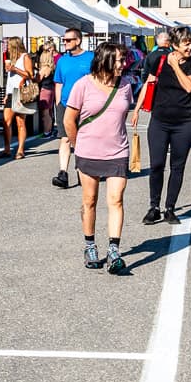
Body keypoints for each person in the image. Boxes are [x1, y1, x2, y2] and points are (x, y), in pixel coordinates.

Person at [64, 42, 133, 274]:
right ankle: (90, 245)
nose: (124, 64)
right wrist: (78, 145)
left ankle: (114, 250)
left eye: (124, 60)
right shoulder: (82, 85)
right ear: (105, 60)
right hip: (88, 152)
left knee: (116, 200)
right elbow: (68, 120)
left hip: (117, 152)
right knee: (90, 200)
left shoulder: (125, 86)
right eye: (119, 60)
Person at [131, 26, 191, 225]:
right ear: (175, 45)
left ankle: (170, 207)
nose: (190, 47)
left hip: (184, 122)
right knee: (157, 165)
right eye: (186, 44)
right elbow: (149, 83)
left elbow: (189, 87)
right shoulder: (159, 61)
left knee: (177, 166)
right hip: (159, 121)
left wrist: (176, 65)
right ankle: (154, 207)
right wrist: (136, 109)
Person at [52, 28, 95, 188]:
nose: (65, 43)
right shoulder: (62, 60)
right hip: (65, 104)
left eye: (68, 40)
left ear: (78, 40)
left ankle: (83, 169)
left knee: (83, 138)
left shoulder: (91, 58)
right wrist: (58, 103)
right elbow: (58, 82)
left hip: (86, 105)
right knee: (65, 138)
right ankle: (63, 173)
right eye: (64, 40)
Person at [0, 36, 35, 159]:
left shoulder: (25, 57)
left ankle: (20, 150)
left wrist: (15, 69)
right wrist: (6, 94)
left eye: (9, 45)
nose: (7, 47)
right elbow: (10, 80)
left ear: (14, 45)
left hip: (20, 92)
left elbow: (30, 75)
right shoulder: (12, 59)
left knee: (20, 122)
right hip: (11, 92)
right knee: (6, 121)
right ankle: (7, 149)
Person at [35, 39, 59, 139]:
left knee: (45, 113)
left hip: (45, 90)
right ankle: (49, 130)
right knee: (49, 111)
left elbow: (37, 79)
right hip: (51, 89)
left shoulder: (44, 69)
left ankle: (46, 131)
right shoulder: (52, 67)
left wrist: (33, 76)